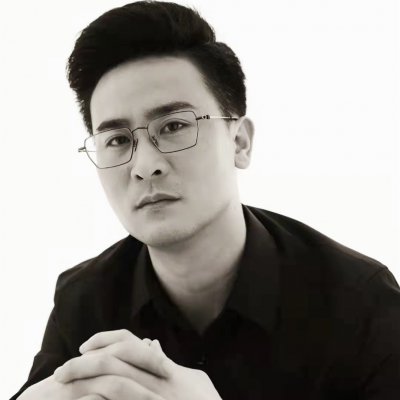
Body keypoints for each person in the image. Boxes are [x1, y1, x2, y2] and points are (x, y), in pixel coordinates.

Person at [11, 1, 400, 399]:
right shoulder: (85, 299)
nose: (145, 166)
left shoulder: (359, 302)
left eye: (174, 126)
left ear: (239, 142)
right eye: (117, 140)